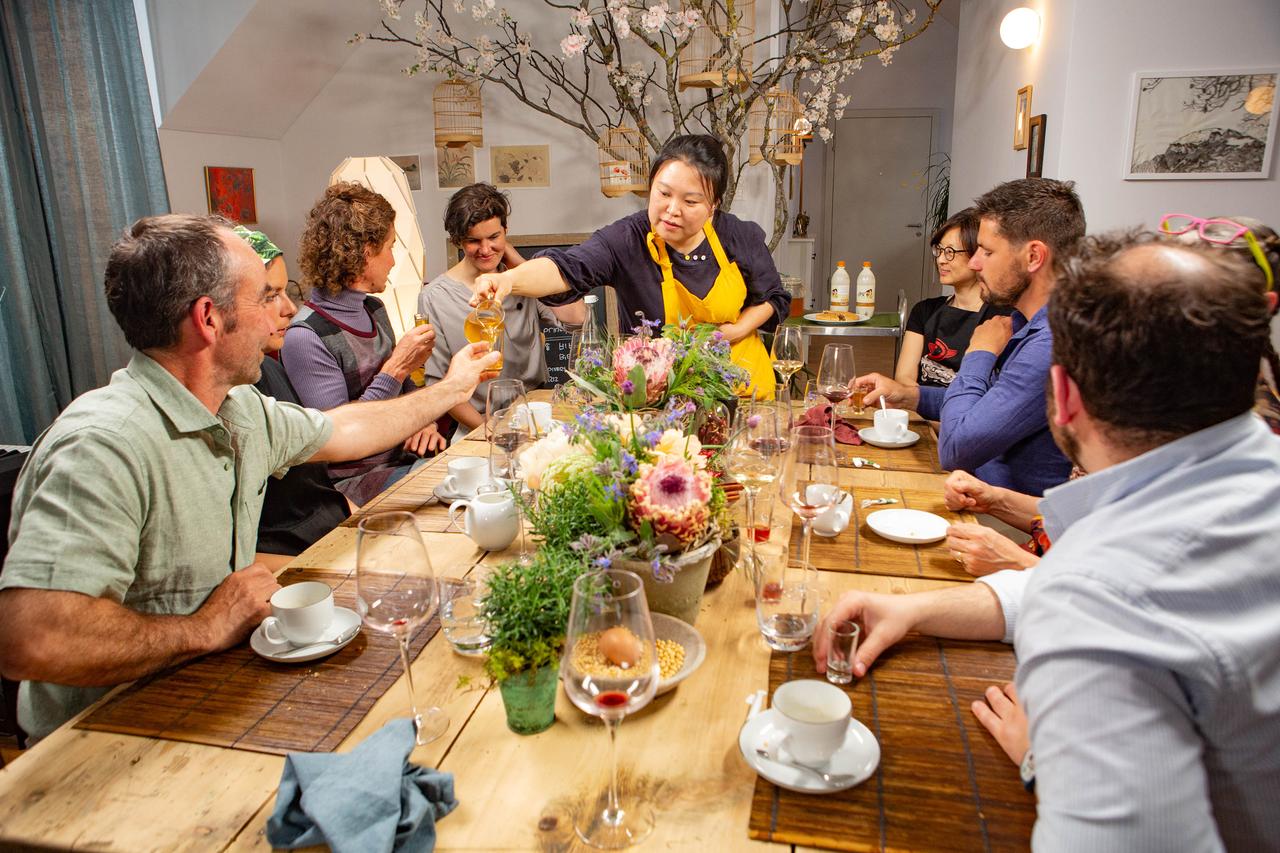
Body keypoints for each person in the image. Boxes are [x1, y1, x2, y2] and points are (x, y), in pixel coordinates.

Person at [818, 232, 1280, 849]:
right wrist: (916, 608)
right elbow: (1080, 593)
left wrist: (1049, 761)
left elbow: (1099, 598)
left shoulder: (1096, 595)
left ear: (1061, 401)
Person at [0, 214, 499, 742]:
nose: (283, 313)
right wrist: (205, 628)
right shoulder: (104, 443)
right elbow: (34, 637)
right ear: (209, 319)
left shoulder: (238, 409)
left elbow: (344, 428)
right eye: (264, 298)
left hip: (205, 700)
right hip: (103, 741)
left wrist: (450, 388)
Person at [466, 134, 791, 400]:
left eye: (690, 202)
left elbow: (773, 297)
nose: (672, 210)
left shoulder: (737, 235)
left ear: (713, 205)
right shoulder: (627, 239)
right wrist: (508, 280)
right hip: (659, 399)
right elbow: (568, 267)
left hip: (744, 393)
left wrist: (733, 331)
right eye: (663, 193)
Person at [857, 179, 1084, 496]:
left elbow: (955, 449)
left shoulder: (1050, 344)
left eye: (987, 252)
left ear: (1034, 257)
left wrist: (979, 353)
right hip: (981, 496)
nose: (976, 263)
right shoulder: (1024, 322)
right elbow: (986, 403)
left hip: (1011, 524)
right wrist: (907, 395)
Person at [282, 182, 444, 505]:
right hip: (353, 487)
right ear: (366, 252)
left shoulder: (373, 309)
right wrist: (397, 367)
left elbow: (404, 397)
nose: (393, 261)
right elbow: (341, 436)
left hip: (404, 461)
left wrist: (424, 423)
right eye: (390, 247)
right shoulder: (305, 336)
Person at [418, 183, 584, 441]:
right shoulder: (434, 297)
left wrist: (517, 263)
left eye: (494, 237)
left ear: (506, 231)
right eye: (473, 241)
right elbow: (440, 384)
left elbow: (577, 316)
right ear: (457, 241)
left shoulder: (522, 281)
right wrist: (490, 430)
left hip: (536, 417)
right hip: (476, 427)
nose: (485, 250)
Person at [231, 226, 351, 558]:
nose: (291, 309)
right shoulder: (226, 398)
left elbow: (315, 485)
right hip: (298, 558)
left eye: (288, 291)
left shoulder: (268, 367)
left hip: (333, 531)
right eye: (271, 295)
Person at [894, 208, 1012, 387]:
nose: (941, 259)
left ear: (976, 256)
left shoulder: (1000, 319)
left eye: (950, 252)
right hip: (920, 410)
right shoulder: (924, 310)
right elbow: (904, 377)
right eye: (939, 250)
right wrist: (923, 404)